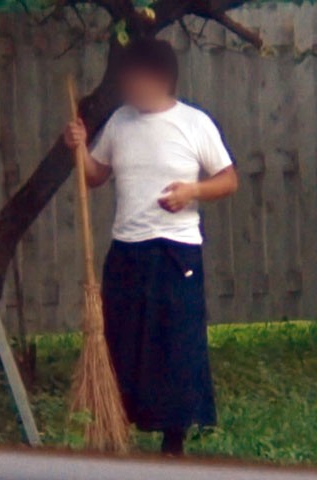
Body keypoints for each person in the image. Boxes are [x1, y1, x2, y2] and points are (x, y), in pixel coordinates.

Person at [64, 38, 238, 455]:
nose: (127, 87)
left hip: (175, 251)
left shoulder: (194, 123)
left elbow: (228, 179)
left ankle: (173, 435)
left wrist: (192, 191)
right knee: (124, 338)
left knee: (174, 343)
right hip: (128, 248)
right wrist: (80, 147)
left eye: (133, 79)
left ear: (159, 79)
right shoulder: (120, 122)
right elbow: (95, 175)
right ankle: (120, 421)